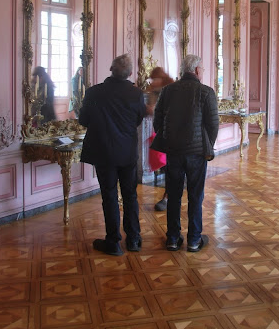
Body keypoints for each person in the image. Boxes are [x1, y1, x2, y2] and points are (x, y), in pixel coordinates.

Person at [79, 54, 147, 255]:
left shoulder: (94, 93)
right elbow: (138, 119)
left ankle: (114, 242)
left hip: (104, 153)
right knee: (130, 195)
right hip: (127, 152)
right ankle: (133, 239)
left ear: (110, 68)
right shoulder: (136, 94)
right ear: (130, 73)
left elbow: (83, 120)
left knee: (109, 196)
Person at [151, 54, 219, 252]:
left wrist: (166, 138)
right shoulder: (206, 92)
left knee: (173, 195)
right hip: (197, 153)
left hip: (173, 151)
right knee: (196, 196)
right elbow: (213, 124)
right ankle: (194, 240)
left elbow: (158, 119)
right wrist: (207, 145)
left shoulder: (168, 91)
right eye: (203, 69)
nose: (202, 72)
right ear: (197, 70)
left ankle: (172, 238)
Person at [146, 67, 174, 211]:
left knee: (170, 166)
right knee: (165, 165)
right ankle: (168, 195)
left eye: (155, 79)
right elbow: (152, 110)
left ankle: (167, 197)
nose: (153, 81)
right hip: (159, 132)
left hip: (170, 132)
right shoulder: (152, 91)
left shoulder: (170, 89)